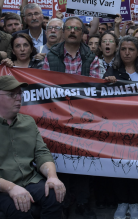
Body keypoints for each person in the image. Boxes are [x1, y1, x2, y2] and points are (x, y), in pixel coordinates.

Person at [0, 75, 66, 219]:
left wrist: (52, 177)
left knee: (54, 194)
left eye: (19, 94)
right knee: (19, 207)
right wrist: (11, 188)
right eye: (12, 94)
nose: (18, 98)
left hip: (28, 181)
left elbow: (42, 153)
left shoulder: (27, 122)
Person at [41, 16, 98, 217]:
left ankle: (83, 202)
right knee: (61, 161)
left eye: (77, 28)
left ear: (83, 33)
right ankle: (62, 203)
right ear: (63, 32)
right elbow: (46, 87)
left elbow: (96, 89)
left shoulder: (92, 58)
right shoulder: (50, 57)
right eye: (69, 28)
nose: (72, 31)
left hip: (83, 119)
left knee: (82, 161)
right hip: (58, 119)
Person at [103, 36, 138, 219]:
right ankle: (122, 202)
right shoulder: (112, 71)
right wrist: (106, 82)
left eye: (131, 49)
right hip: (118, 128)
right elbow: (102, 99)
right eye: (124, 49)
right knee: (119, 165)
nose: (127, 52)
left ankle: (135, 203)